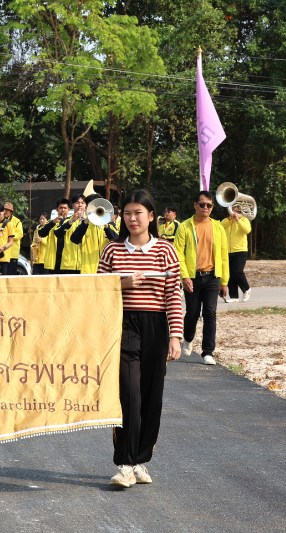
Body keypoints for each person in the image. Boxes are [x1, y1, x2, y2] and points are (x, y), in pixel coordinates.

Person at [98, 190, 183, 488]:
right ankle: (124, 464)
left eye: (139, 213)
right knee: (129, 394)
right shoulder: (111, 251)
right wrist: (122, 283)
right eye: (128, 213)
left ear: (151, 216)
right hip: (122, 326)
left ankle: (141, 461)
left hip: (157, 326)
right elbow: (97, 292)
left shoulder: (166, 251)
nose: (133, 219)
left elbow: (173, 294)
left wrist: (175, 335)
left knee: (151, 396)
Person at [173, 191, 229, 365]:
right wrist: (184, 276)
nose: (206, 208)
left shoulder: (218, 227)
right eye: (202, 204)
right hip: (193, 277)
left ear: (213, 207)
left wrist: (224, 281)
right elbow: (178, 253)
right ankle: (188, 339)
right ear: (195, 205)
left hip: (213, 276)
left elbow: (224, 255)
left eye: (209, 205)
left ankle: (207, 352)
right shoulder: (185, 226)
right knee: (192, 313)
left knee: (210, 314)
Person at [70, 193, 119, 274]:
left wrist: (106, 225)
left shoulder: (110, 225)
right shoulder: (83, 225)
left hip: (106, 269)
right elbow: (74, 239)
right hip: (88, 270)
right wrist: (86, 221)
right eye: (91, 206)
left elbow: (117, 240)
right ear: (86, 208)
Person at [221, 205, 252, 303]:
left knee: (238, 272)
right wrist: (228, 219)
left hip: (240, 250)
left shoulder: (244, 220)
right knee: (229, 274)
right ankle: (234, 296)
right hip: (228, 251)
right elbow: (219, 228)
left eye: (235, 209)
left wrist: (238, 219)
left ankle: (246, 289)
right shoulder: (227, 221)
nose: (233, 211)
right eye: (232, 209)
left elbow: (247, 230)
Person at [51, 194, 87, 274]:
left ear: (86, 205)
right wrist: (72, 221)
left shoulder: (90, 221)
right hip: (69, 263)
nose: (80, 205)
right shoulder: (65, 221)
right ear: (73, 205)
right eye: (77, 202)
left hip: (86, 263)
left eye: (83, 203)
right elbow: (58, 234)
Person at [38, 198, 71, 273]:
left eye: (65, 208)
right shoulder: (50, 222)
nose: (63, 210)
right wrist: (53, 222)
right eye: (61, 208)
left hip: (67, 256)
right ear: (57, 209)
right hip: (54, 256)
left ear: (69, 209)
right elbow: (41, 233)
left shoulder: (71, 221)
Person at [3, 201, 24, 275]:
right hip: (2, 253)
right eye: (3, 210)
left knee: (11, 275)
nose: (4, 212)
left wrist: (9, 235)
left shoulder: (17, 221)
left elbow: (20, 234)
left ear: (11, 212)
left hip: (12, 254)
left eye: (7, 210)